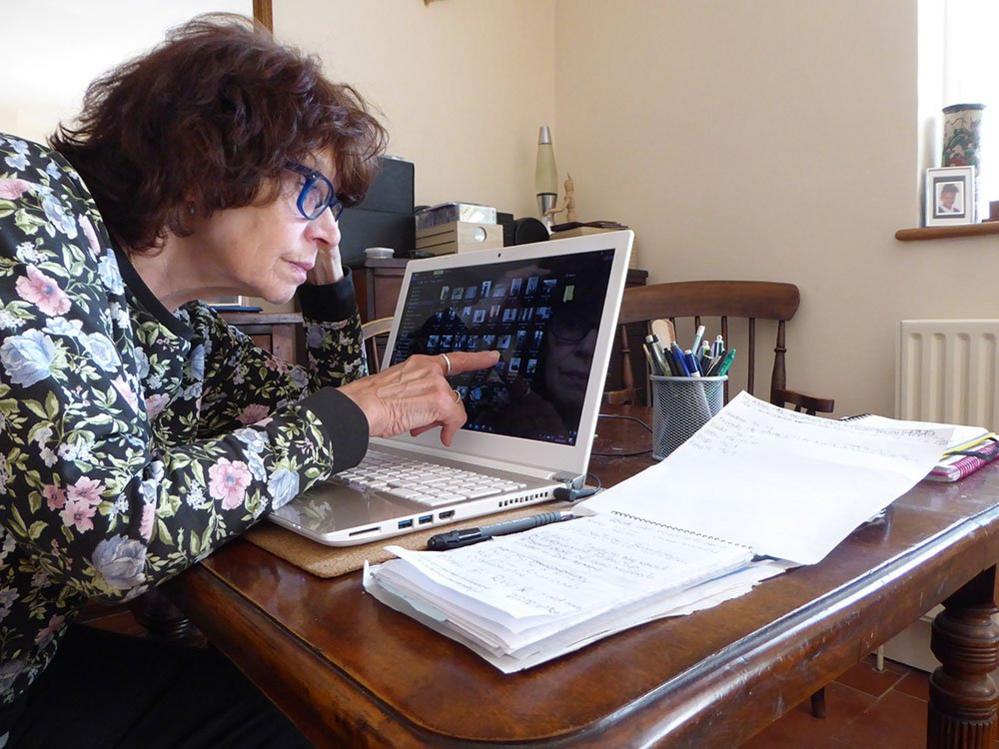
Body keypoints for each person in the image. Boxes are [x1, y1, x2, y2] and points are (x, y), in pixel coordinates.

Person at [0, 15, 497, 747]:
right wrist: (347, 415)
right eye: (315, 194)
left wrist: (328, 295)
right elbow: (108, 535)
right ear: (208, 160)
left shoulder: (184, 330)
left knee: (300, 705)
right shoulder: (27, 200)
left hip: (27, 661)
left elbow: (310, 419)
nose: (332, 230)